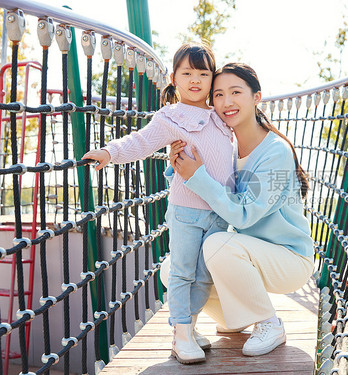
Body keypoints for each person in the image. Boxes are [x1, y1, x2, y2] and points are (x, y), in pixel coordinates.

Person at [82, 43, 234, 364]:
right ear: (174, 77)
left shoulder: (221, 115)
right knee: (182, 271)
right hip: (187, 210)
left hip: (219, 212)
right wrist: (110, 153)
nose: (195, 80)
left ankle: (190, 326)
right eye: (187, 73)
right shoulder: (171, 116)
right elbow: (140, 141)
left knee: (205, 274)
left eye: (203, 74)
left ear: (213, 78)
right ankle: (179, 334)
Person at [168, 62, 314, 357]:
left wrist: (196, 176)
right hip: (249, 255)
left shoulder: (276, 152)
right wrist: (177, 167)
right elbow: (201, 185)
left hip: (288, 258)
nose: (226, 102)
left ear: (256, 97)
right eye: (218, 95)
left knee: (217, 245)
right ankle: (234, 321)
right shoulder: (227, 145)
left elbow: (243, 214)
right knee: (171, 270)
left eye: (236, 92)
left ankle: (269, 323)